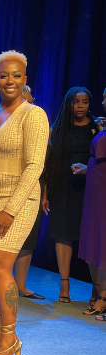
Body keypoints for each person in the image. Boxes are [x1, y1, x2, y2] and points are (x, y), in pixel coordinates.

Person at [0, 51, 48, 355]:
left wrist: (11, 209)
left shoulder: (33, 115)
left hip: (18, 199)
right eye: (4, 75)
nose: (10, 80)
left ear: (25, 80)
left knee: (1, 265)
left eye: (17, 75)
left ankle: (10, 338)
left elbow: (35, 166)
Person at [41, 87, 100, 303]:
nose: (81, 106)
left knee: (92, 238)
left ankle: (97, 288)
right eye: (76, 102)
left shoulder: (96, 127)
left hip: (90, 189)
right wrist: (45, 194)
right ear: (69, 103)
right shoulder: (58, 129)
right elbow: (49, 164)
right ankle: (64, 284)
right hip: (63, 187)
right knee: (63, 234)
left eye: (85, 101)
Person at [74, 88, 106, 317]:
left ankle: (103, 296)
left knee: (103, 242)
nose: (103, 102)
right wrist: (88, 169)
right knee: (96, 240)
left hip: (103, 193)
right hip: (95, 191)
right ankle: (99, 292)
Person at [14, 87, 45, 300]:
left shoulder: (37, 119)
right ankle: (3, 283)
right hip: (7, 186)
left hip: (32, 188)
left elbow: (44, 162)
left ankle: (21, 285)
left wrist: (46, 194)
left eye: (29, 95)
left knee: (28, 239)